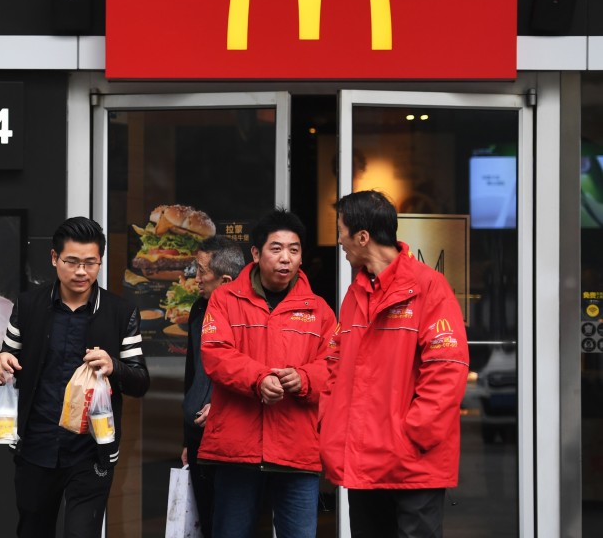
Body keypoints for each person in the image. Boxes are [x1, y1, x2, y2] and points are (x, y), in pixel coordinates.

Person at [320, 190, 470, 538]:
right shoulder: (356, 292)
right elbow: (335, 361)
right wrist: (330, 419)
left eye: (341, 230)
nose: (338, 240)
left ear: (362, 236)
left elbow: (447, 366)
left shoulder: (428, 287)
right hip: (362, 457)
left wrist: (413, 433)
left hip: (412, 461)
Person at [0, 216, 149, 538]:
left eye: (91, 263)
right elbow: (5, 359)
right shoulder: (29, 305)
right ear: (54, 259)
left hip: (91, 450)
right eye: (72, 262)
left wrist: (113, 365)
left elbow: (140, 381)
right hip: (36, 445)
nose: (81, 271)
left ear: (100, 262)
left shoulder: (120, 313)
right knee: (33, 530)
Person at [198, 208, 337, 538]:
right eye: (276, 249)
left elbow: (335, 367)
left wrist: (303, 379)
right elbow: (215, 352)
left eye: (294, 249)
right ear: (257, 253)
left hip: (296, 450)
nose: (285, 258)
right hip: (237, 447)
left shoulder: (319, 310)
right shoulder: (225, 299)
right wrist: (260, 378)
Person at [181, 236, 245, 538]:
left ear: (226, 280)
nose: (195, 278)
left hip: (234, 434)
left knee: (231, 523)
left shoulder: (251, 316)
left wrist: (220, 406)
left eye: (201, 270)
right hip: (198, 433)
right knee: (206, 521)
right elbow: (192, 372)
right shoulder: (198, 309)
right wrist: (185, 436)